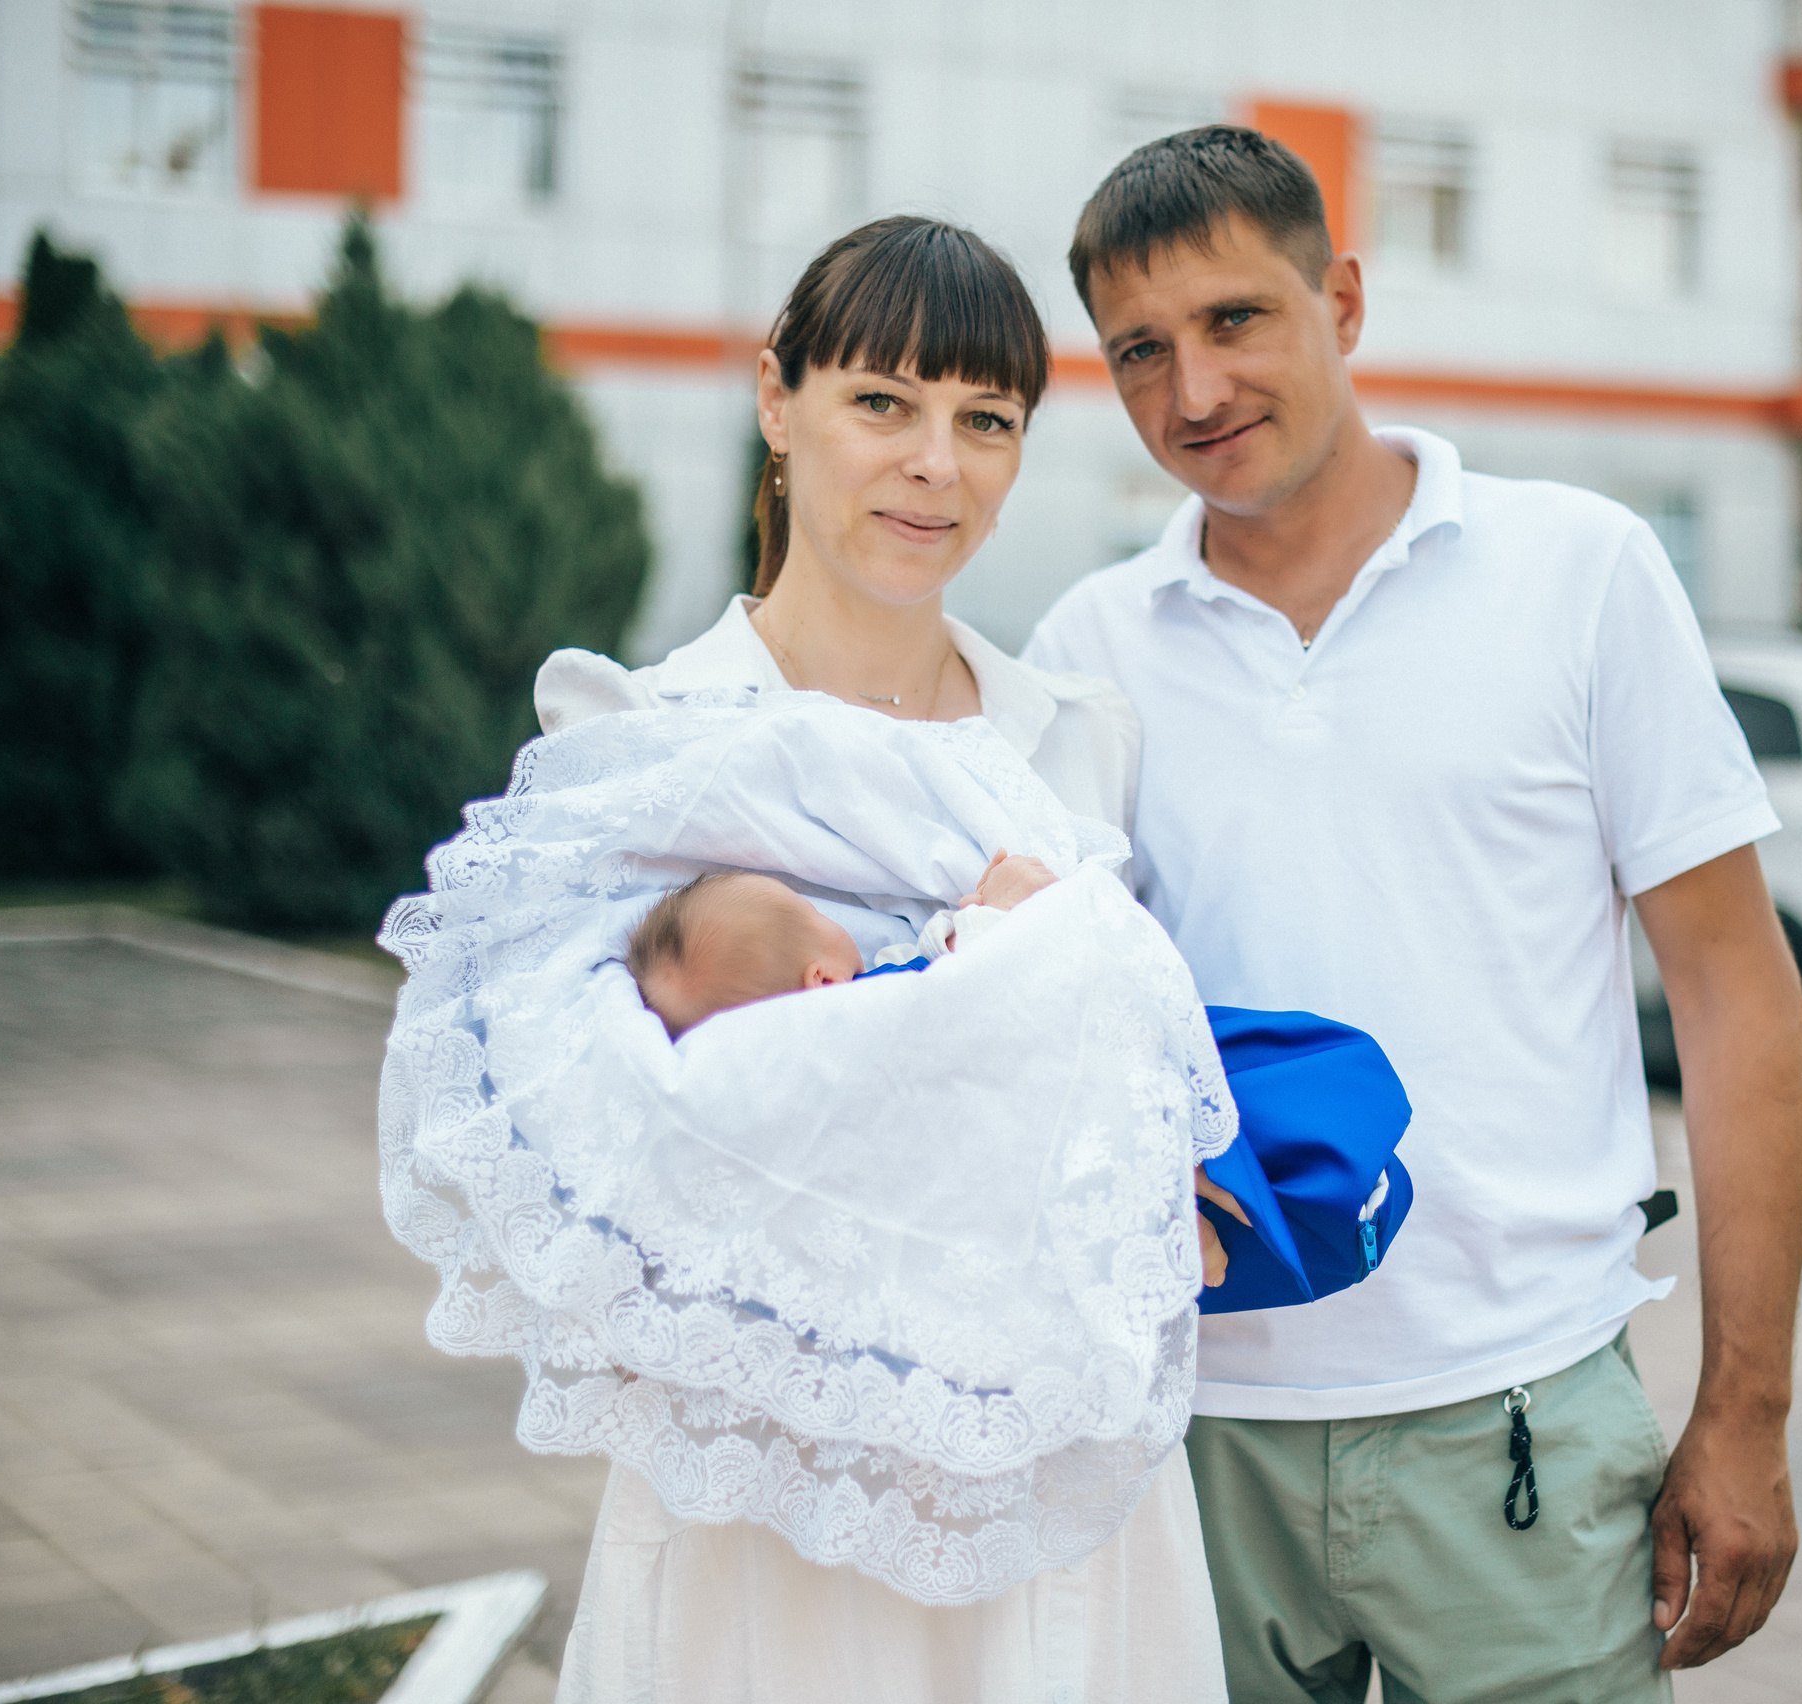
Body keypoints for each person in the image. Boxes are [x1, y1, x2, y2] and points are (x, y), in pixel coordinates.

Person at [1025, 127, 1802, 1702]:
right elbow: (1043, 1040)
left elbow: (1734, 997)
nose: (1192, 394)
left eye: (1235, 320)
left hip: (1517, 1422)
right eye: (1139, 352)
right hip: (1193, 1444)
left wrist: (1746, 1412)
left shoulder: (1581, 571)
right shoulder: (1087, 643)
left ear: (1346, 299)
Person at [535, 215, 1228, 1703]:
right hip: (768, 1510)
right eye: (882, 404)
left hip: (1049, 1500)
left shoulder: (1073, 738)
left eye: (986, 420)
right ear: (777, 402)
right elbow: (620, 1166)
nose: (937, 463)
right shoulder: (635, 740)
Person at [624, 854, 1056, 1037]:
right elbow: (960, 986)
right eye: (815, 914)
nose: (827, 917)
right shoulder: (876, 1010)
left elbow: (922, 960)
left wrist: (957, 926)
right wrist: (995, 908)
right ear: (823, 980)